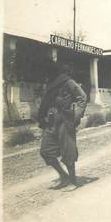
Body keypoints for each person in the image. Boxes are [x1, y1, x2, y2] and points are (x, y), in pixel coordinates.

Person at [38, 60, 87, 190]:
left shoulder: (67, 82)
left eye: (47, 72)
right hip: (51, 121)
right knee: (45, 151)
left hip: (65, 120)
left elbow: (82, 97)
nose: (45, 75)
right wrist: (42, 117)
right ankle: (64, 176)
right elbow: (45, 103)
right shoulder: (49, 85)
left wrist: (76, 116)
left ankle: (72, 181)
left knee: (68, 151)